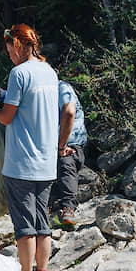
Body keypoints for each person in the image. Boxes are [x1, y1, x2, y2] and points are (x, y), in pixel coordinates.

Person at [0, 24, 59, 271]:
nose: (9, 56)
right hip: (47, 161)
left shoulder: (19, 73)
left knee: (25, 224)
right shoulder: (49, 72)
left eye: (9, 50)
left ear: (16, 44)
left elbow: (6, 117)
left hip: (22, 162)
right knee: (42, 221)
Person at [52, 80, 87, 227]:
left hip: (70, 143)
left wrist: (62, 146)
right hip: (51, 145)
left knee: (66, 161)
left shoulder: (62, 88)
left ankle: (68, 208)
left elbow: (69, 112)